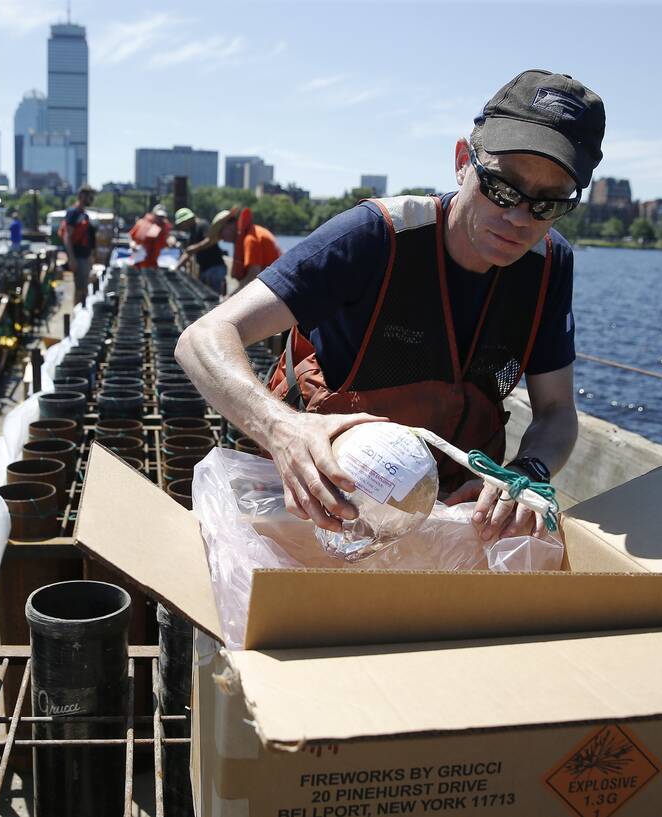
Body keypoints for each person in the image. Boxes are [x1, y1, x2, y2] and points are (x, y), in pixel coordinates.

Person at [176, 69, 604, 541]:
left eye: (547, 203)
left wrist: (528, 470)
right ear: (463, 161)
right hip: (322, 502)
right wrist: (282, 429)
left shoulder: (549, 263)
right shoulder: (376, 235)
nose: (518, 217)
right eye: (503, 187)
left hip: (448, 514)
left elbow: (556, 410)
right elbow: (203, 338)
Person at [209, 206, 281, 290]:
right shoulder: (253, 232)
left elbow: (253, 275)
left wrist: (233, 295)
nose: (222, 239)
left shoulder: (250, 240)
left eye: (221, 233)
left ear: (229, 225)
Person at [173, 207, 228, 296]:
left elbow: (210, 240)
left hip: (215, 267)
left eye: (182, 223)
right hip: (205, 269)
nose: (182, 226)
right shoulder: (192, 231)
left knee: (214, 298)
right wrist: (177, 267)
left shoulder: (203, 225)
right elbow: (188, 252)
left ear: (188, 219)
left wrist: (194, 248)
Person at [60, 184, 98, 306]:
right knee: (80, 290)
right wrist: (71, 258)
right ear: (82, 196)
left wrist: (91, 258)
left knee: (84, 289)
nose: (91, 199)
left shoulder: (84, 215)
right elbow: (67, 236)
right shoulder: (73, 213)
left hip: (84, 257)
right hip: (78, 257)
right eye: (90, 196)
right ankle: (77, 319)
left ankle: (81, 314)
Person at [128, 204, 172, 270]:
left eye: (162, 216)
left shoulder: (165, 227)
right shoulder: (141, 223)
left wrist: (171, 240)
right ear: (153, 214)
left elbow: (168, 239)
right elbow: (131, 236)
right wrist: (132, 244)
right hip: (139, 260)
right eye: (158, 216)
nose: (160, 218)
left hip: (153, 261)